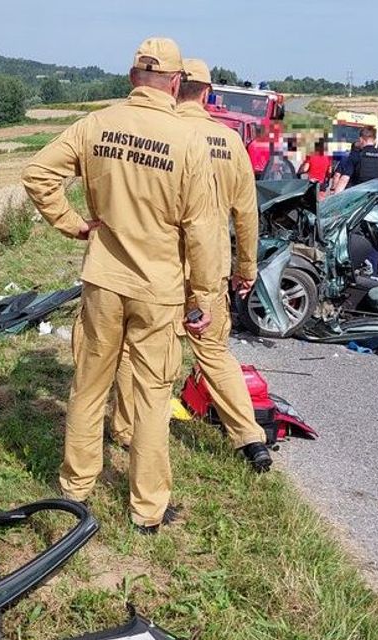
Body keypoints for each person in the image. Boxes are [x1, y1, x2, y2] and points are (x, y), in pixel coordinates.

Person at [21, 37, 220, 534]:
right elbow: (202, 229)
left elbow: (38, 174)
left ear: (134, 78)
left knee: (88, 386)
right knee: (153, 395)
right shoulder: (188, 140)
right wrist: (206, 296)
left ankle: (75, 489)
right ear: (175, 83)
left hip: (103, 281)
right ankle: (147, 509)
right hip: (160, 289)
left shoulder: (96, 124)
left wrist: (74, 223)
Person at [110, 58, 272, 475]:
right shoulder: (228, 141)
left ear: (173, 86)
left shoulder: (160, 135)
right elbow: (246, 214)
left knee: (137, 348)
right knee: (215, 352)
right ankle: (250, 439)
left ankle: (126, 430)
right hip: (209, 267)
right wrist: (246, 268)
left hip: (157, 265)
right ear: (207, 92)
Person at [333, 126, 378, 275]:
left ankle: (354, 267)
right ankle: (372, 270)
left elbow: (343, 181)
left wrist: (335, 202)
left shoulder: (355, 157)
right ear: (375, 140)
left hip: (358, 206)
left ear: (361, 140)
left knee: (353, 237)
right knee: (374, 240)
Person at [332, 126, 378, 193]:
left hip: (359, 197)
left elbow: (344, 179)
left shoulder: (356, 155)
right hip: (376, 198)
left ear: (361, 139)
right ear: (375, 140)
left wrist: (335, 199)